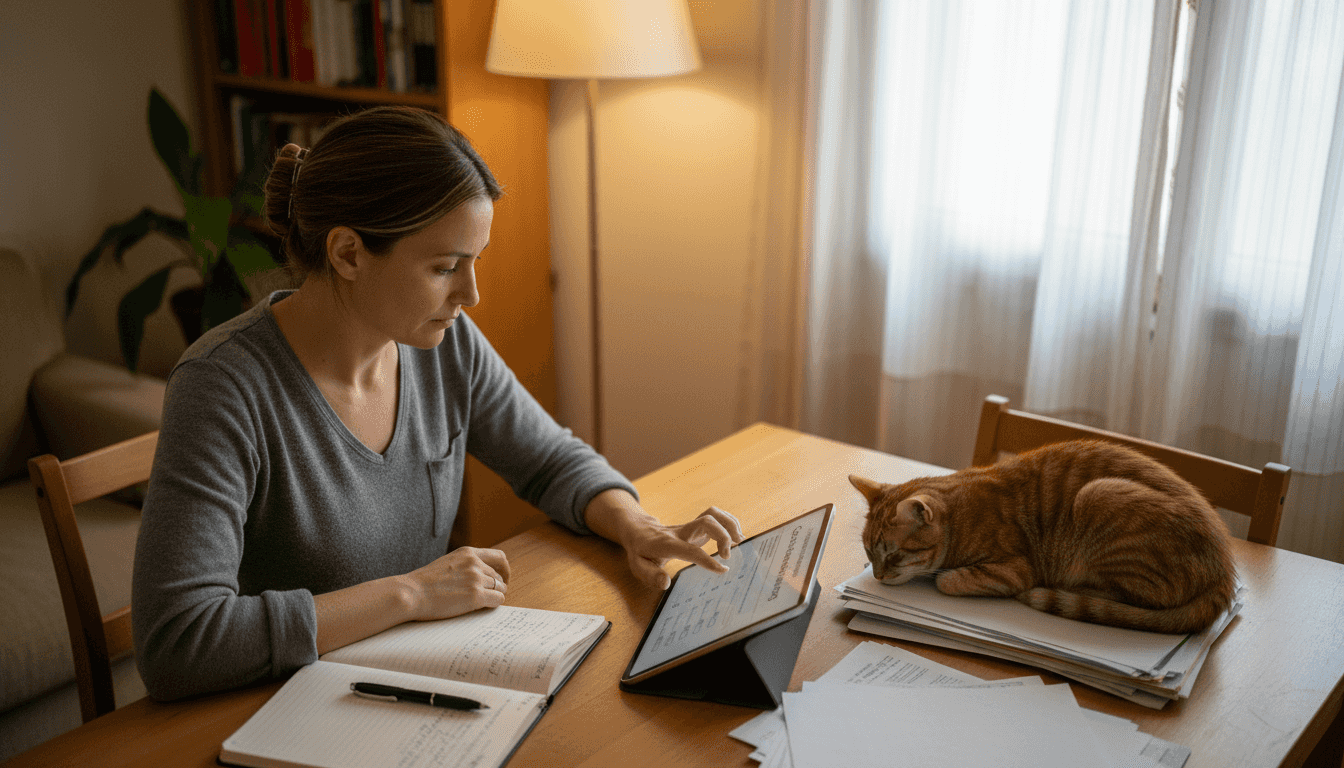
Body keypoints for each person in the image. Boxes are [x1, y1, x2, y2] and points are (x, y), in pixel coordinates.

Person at [131, 106, 744, 701]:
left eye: (473, 263)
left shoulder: (440, 344)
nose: (471, 294)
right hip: (277, 709)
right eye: (446, 266)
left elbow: (550, 459)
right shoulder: (223, 387)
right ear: (347, 253)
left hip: (409, 686)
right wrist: (412, 595)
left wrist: (638, 527)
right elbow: (177, 641)